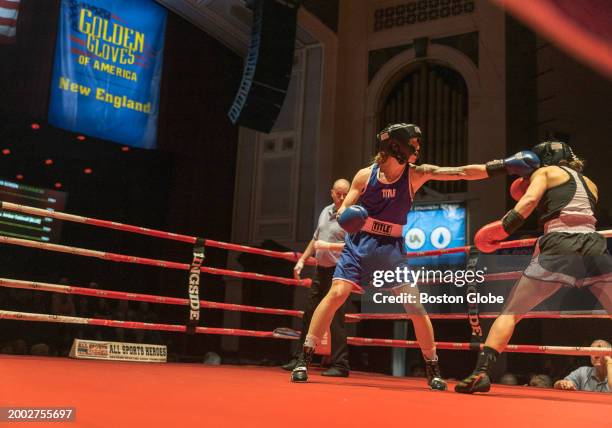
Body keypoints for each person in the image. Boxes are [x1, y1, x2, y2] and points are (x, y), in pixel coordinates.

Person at [291, 123, 539, 388]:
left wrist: (503, 166)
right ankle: (304, 359)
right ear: (396, 146)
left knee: (416, 307)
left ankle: (432, 368)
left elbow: (460, 173)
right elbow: (343, 211)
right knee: (336, 294)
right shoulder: (365, 176)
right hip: (359, 245)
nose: (418, 148)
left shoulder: (416, 174)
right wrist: (346, 218)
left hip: (391, 250)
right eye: (414, 143)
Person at [456, 141, 612, 394]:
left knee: (511, 313)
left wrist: (501, 229)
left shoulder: (545, 172)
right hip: (594, 247)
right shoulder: (590, 183)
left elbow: (528, 201)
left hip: (561, 245)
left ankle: (481, 372)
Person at [283, 179, 351, 376]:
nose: (342, 197)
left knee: (336, 318)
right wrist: (302, 260)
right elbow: (315, 239)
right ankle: (300, 359)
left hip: (340, 272)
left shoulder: (352, 216)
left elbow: (354, 247)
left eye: (345, 194)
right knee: (310, 314)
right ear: (332, 193)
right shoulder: (325, 211)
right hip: (320, 270)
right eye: (338, 193)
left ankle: (340, 365)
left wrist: (328, 247)